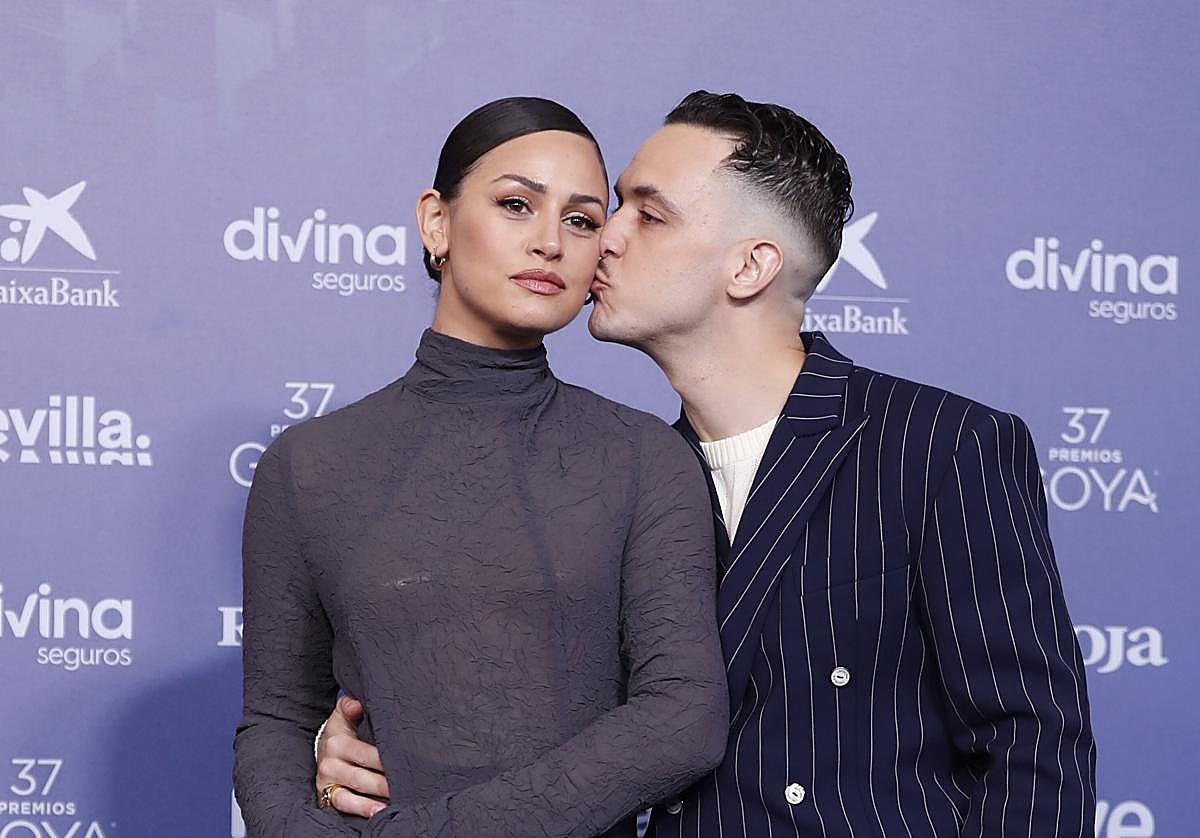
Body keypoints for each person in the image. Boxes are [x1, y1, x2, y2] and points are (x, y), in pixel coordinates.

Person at [316, 91, 1097, 837]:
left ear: (750, 267)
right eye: (615, 206)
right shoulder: (624, 477)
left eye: (648, 214)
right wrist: (360, 741)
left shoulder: (937, 443)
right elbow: (546, 714)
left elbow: (1033, 748)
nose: (605, 236)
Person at [233, 96, 728, 838]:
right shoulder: (308, 465)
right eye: (515, 204)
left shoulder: (643, 457)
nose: (549, 243)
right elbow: (276, 720)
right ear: (436, 222)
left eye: (581, 220)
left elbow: (683, 717)